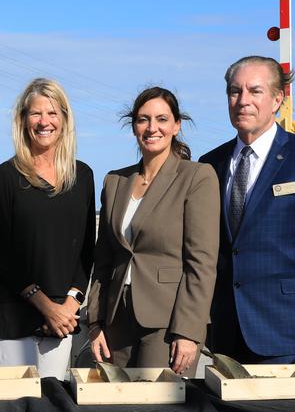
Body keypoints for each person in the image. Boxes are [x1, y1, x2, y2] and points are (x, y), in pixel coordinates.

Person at [199, 56, 295, 366]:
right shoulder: (210, 164)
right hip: (225, 330)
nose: (243, 101)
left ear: (277, 99)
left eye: (255, 91)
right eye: (234, 91)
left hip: (286, 332)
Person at [87, 87, 220, 374]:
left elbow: (202, 263)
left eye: (161, 119)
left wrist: (188, 331)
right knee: (116, 407)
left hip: (167, 323)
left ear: (176, 125)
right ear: (134, 126)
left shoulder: (196, 177)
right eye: (143, 119)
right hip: (115, 320)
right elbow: (104, 260)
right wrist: (95, 322)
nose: (152, 128)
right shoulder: (115, 181)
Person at [0, 78, 95, 378]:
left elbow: (86, 251)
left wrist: (71, 304)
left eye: (52, 113)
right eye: (36, 114)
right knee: (15, 410)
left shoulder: (82, 176)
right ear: (23, 120)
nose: (44, 122)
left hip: (63, 319)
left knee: (53, 411)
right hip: (14, 320)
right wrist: (46, 307)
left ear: (65, 119)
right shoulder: (5, 177)